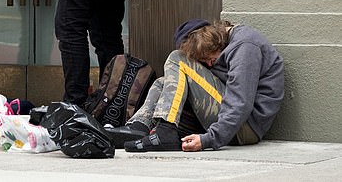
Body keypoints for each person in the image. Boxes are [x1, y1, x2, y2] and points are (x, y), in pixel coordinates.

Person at [115, 18, 285, 152]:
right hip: (232, 121)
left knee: (177, 58)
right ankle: (139, 127)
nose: (209, 65)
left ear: (210, 41)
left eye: (206, 58)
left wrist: (208, 139)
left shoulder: (244, 46)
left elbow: (240, 103)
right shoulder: (224, 45)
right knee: (164, 82)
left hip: (244, 127)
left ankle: (166, 130)